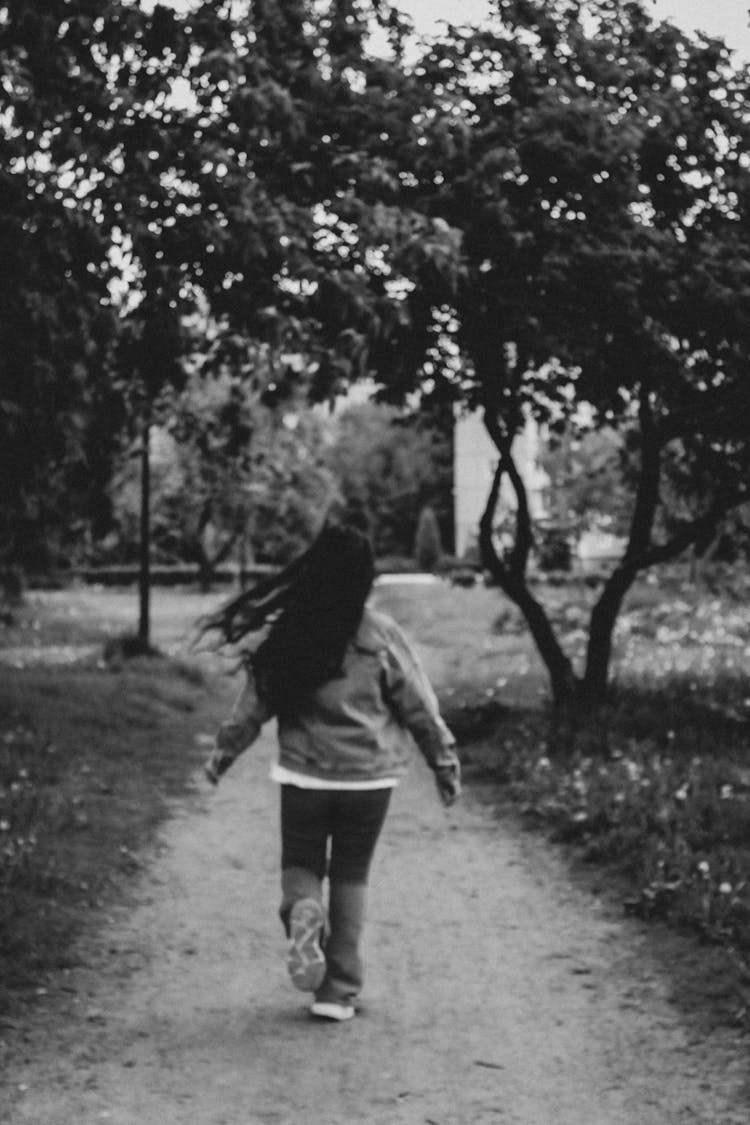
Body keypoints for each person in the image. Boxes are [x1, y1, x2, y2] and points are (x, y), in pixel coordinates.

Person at [201, 522, 461, 1022]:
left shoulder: (291, 632)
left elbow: (253, 706)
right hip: (369, 780)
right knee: (350, 875)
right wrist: (443, 762)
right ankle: (337, 992)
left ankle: (302, 909)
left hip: (305, 778)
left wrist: (222, 755)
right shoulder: (380, 636)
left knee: (302, 865)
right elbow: (419, 707)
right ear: (365, 579)